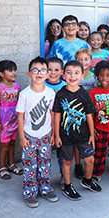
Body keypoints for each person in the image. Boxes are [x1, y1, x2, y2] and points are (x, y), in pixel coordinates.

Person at [53, 60, 101, 201]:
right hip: (66, 136)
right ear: (63, 75)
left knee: (90, 159)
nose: (72, 76)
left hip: (84, 135)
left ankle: (87, 180)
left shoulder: (84, 94)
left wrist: (92, 134)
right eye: (69, 73)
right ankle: (68, 186)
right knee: (67, 161)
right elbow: (56, 116)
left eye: (76, 73)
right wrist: (56, 135)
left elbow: (89, 116)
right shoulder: (60, 94)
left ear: (82, 76)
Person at [16, 56, 58, 208]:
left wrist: (53, 134)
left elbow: (53, 114)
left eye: (42, 70)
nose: (39, 73)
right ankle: (30, 192)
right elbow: (20, 116)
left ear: (47, 74)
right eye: (35, 70)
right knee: (29, 166)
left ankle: (45, 189)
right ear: (29, 74)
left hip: (46, 135)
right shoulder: (24, 94)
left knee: (45, 164)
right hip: (29, 136)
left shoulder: (51, 93)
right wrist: (21, 136)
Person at [0, 60, 22, 179]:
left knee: (13, 142)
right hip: (4, 122)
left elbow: (19, 103)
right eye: (10, 71)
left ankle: (11, 164)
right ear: (1, 74)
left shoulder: (16, 86)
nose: (14, 73)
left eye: (14, 70)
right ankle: (1, 167)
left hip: (14, 120)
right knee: (5, 145)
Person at [44, 57, 67, 189]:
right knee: (45, 155)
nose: (53, 73)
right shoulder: (42, 85)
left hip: (62, 127)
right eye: (49, 70)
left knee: (62, 155)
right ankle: (44, 179)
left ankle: (64, 177)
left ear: (62, 71)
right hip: (46, 127)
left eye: (56, 70)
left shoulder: (65, 86)